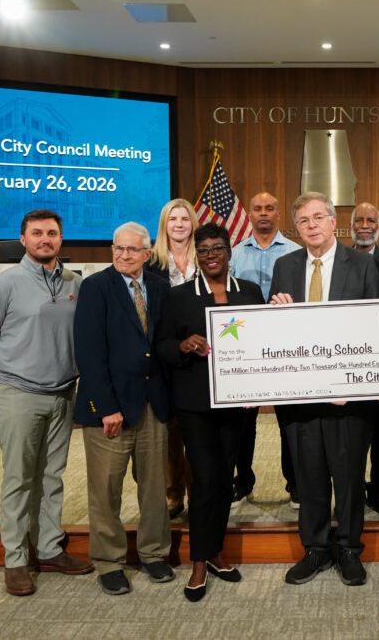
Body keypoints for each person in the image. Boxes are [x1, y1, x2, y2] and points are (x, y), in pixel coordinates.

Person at [0, 209, 93, 596]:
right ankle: (15, 560)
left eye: (52, 233)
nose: (45, 239)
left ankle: (50, 548)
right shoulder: (3, 285)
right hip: (18, 397)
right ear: (22, 240)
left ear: (61, 239)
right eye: (37, 233)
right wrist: (16, 368)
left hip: (62, 395)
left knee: (51, 477)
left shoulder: (76, 283)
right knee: (18, 480)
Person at [269, 191, 379, 586]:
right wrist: (275, 314)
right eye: (303, 220)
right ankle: (316, 549)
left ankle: (350, 548)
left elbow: (376, 328)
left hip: (349, 398)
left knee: (349, 477)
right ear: (297, 228)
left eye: (319, 217)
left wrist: (357, 384)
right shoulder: (285, 266)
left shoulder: (365, 265)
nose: (312, 225)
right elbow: (276, 336)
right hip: (302, 397)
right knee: (310, 476)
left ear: (335, 222)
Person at [156, 223, 265, 601]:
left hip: (237, 404)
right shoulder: (180, 296)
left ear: (230, 251)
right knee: (203, 480)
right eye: (204, 251)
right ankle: (199, 560)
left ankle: (216, 551)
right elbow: (162, 345)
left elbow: (263, 344)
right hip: (195, 404)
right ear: (197, 256)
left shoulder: (250, 293)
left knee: (224, 481)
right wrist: (183, 345)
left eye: (218, 248)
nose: (211, 255)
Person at [74, 222, 174, 595]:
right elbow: (89, 352)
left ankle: (153, 554)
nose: (123, 255)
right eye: (118, 248)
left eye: (132, 250)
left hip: (152, 407)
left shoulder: (162, 289)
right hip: (110, 410)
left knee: (153, 489)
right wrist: (106, 407)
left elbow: (161, 346)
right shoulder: (95, 288)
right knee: (106, 490)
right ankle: (109, 562)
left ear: (147, 254)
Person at [229, 192, 299, 508]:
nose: (263, 213)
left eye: (270, 208)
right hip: (246, 348)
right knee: (244, 421)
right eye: (257, 208)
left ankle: (295, 483)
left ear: (278, 212)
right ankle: (242, 480)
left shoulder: (297, 252)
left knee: (291, 420)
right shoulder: (233, 254)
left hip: (285, 346)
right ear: (249, 213)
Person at [146, 198, 198, 520]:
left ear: (193, 223)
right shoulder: (151, 263)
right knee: (169, 431)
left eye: (184, 218)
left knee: (196, 432)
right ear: (164, 224)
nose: (179, 224)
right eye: (172, 219)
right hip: (163, 357)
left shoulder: (205, 260)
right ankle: (173, 493)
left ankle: (198, 493)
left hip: (199, 356)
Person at [350, 201, 379, 516]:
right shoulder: (340, 259)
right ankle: (351, 490)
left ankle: (378, 488)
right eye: (359, 220)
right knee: (351, 435)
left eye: (371, 220)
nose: (365, 225)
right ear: (351, 225)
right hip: (348, 361)